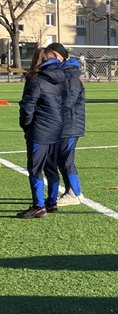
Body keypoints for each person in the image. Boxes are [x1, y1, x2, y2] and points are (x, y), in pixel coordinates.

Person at [17, 48, 66, 218]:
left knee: (36, 169)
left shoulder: (35, 79)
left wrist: (26, 125)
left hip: (40, 130)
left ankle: (39, 206)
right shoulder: (61, 78)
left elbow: (27, 106)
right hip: (56, 128)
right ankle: (51, 203)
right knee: (51, 167)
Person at [46, 43, 85, 206]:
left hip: (70, 124)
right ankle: (72, 191)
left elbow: (69, 99)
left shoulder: (70, 74)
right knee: (61, 159)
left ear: (59, 56)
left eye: (52, 55)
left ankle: (75, 193)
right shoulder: (62, 72)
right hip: (63, 123)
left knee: (66, 159)